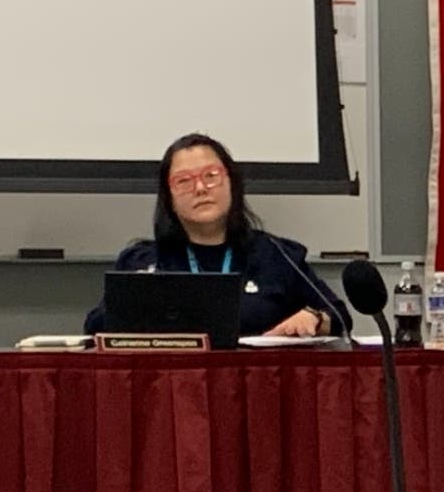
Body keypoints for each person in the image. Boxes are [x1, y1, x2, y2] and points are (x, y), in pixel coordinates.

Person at [85, 133, 351, 338]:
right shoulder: (142, 262)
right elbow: (95, 326)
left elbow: (338, 315)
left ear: (232, 183)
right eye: (184, 181)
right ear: (169, 199)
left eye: (211, 176)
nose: (200, 188)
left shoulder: (276, 256)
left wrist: (315, 318)